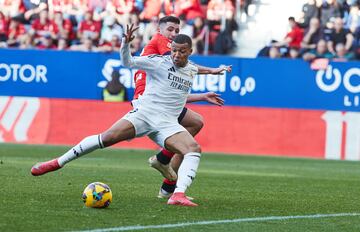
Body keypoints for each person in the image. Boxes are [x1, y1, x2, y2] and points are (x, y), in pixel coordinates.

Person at [31, 25, 229, 207]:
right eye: (174, 50)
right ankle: (58, 162)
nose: (176, 55)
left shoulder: (191, 68)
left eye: (182, 51)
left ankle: (178, 195)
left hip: (168, 123)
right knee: (106, 138)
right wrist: (126, 44)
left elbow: (196, 69)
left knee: (193, 149)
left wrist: (214, 72)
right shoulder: (158, 62)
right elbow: (128, 62)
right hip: (144, 115)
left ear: (190, 52)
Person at [132, 15, 231, 199]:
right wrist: (212, 70)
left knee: (195, 123)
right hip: (149, 101)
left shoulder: (164, 54)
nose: (174, 34)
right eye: (170, 29)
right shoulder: (162, 42)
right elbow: (184, 60)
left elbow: (181, 80)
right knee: (190, 138)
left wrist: (202, 94)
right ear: (159, 30)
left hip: (158, 96)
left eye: (177, 30)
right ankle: (166, 171)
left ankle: (167, 181)